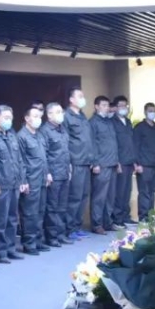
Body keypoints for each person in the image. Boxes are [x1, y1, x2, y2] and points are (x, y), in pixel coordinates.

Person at [0, 105, 26, 263]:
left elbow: (19, 160)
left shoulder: (11, 135)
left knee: (12, 218)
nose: (8, 121)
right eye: (5, 118)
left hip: (14, 183)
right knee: (0, 219)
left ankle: (10, 248)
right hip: (2, 184)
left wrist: (22, 180)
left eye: (10, 118)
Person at [18, 105, 52, 256]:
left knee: (40, 211)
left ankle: (38, 240)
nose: (39, 119)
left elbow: (44, 157)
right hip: (31, 179)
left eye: (40, 117)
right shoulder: (22, 136)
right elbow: (20, 161)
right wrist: (23, 180)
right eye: (35, 116)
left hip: (42, 178)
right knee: (29, 213)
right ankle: (29, 243)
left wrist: (47, 173)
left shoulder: (39, 135)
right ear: (27, 118)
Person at [39, 102, 71, 249]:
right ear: (49, 115)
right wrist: (47, 173)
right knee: (52, 207)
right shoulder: (45, 131)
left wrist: (69, 167)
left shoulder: (62, 129)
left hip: (64, 172)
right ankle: (51, 237)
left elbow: (65, 150)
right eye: (57, 112)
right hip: (53, 173)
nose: (61, 114)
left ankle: (61, 234)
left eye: (61, 112)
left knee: (62, 206)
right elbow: (44, 154)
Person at [64, 87, 94, 238]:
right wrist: (68, 162)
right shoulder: (66, 116)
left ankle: (77, 226)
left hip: (86, 162)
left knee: (83, 196)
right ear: (71, 99)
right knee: (74, 197)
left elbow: (88, 139)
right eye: (80, 96)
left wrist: (92, 158)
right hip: (75, 161)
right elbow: (65, 140)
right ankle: (69, 229)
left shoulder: (82, 116)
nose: (83, 99)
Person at [89, 96, 118, 234]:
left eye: (108, 105)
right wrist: (95, 163)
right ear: (96, 106)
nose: (107, 108)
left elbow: (113, 143)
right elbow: (92, 144)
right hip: (101, 164)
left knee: (110, 197)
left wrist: (117, 161)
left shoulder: (108, 122)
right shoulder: (93, 122)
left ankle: (108, 222)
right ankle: (97, 224)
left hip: (112, 163)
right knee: (99, 197)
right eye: (104, 105)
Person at [111, 95, 138, 226]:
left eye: (125, 106)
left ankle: (126, 216)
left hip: (129, 161)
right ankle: (117, 218)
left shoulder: (128, 122)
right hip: (120, 162)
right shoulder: (112, 122)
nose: (124, 108)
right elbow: (113, 144)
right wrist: (117, 162)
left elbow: (131, 142)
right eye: (121, 106)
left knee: (127, 191)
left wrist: (134, 161)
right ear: (116, 108)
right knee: (119, 191)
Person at [134, 103, 155, 221]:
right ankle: (143, 217)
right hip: (144, 166)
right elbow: (135, 146)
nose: (152, 113)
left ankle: (151, 216)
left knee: (152, 192)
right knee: (144, 192)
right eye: (150, 110)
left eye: (154, 110)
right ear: (145, 112)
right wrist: (137, 164)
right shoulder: (139, 128)